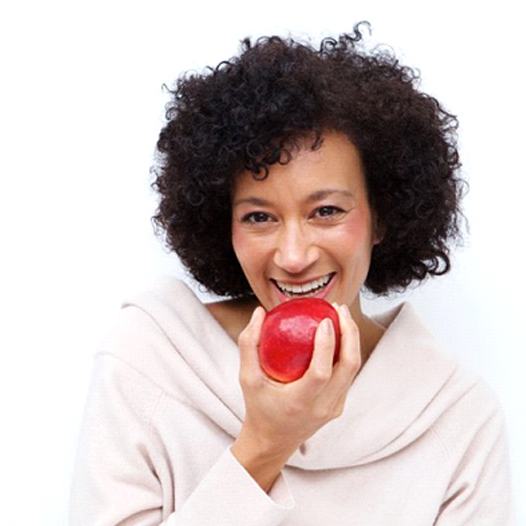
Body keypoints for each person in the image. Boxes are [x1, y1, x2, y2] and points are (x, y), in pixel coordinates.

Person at [68, 23, 515, 525]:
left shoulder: (457, 419)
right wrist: (264, 445)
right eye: (259, 217)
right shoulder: (150, 359)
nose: (294, 255)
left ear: (382, 215)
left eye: (326, 211)